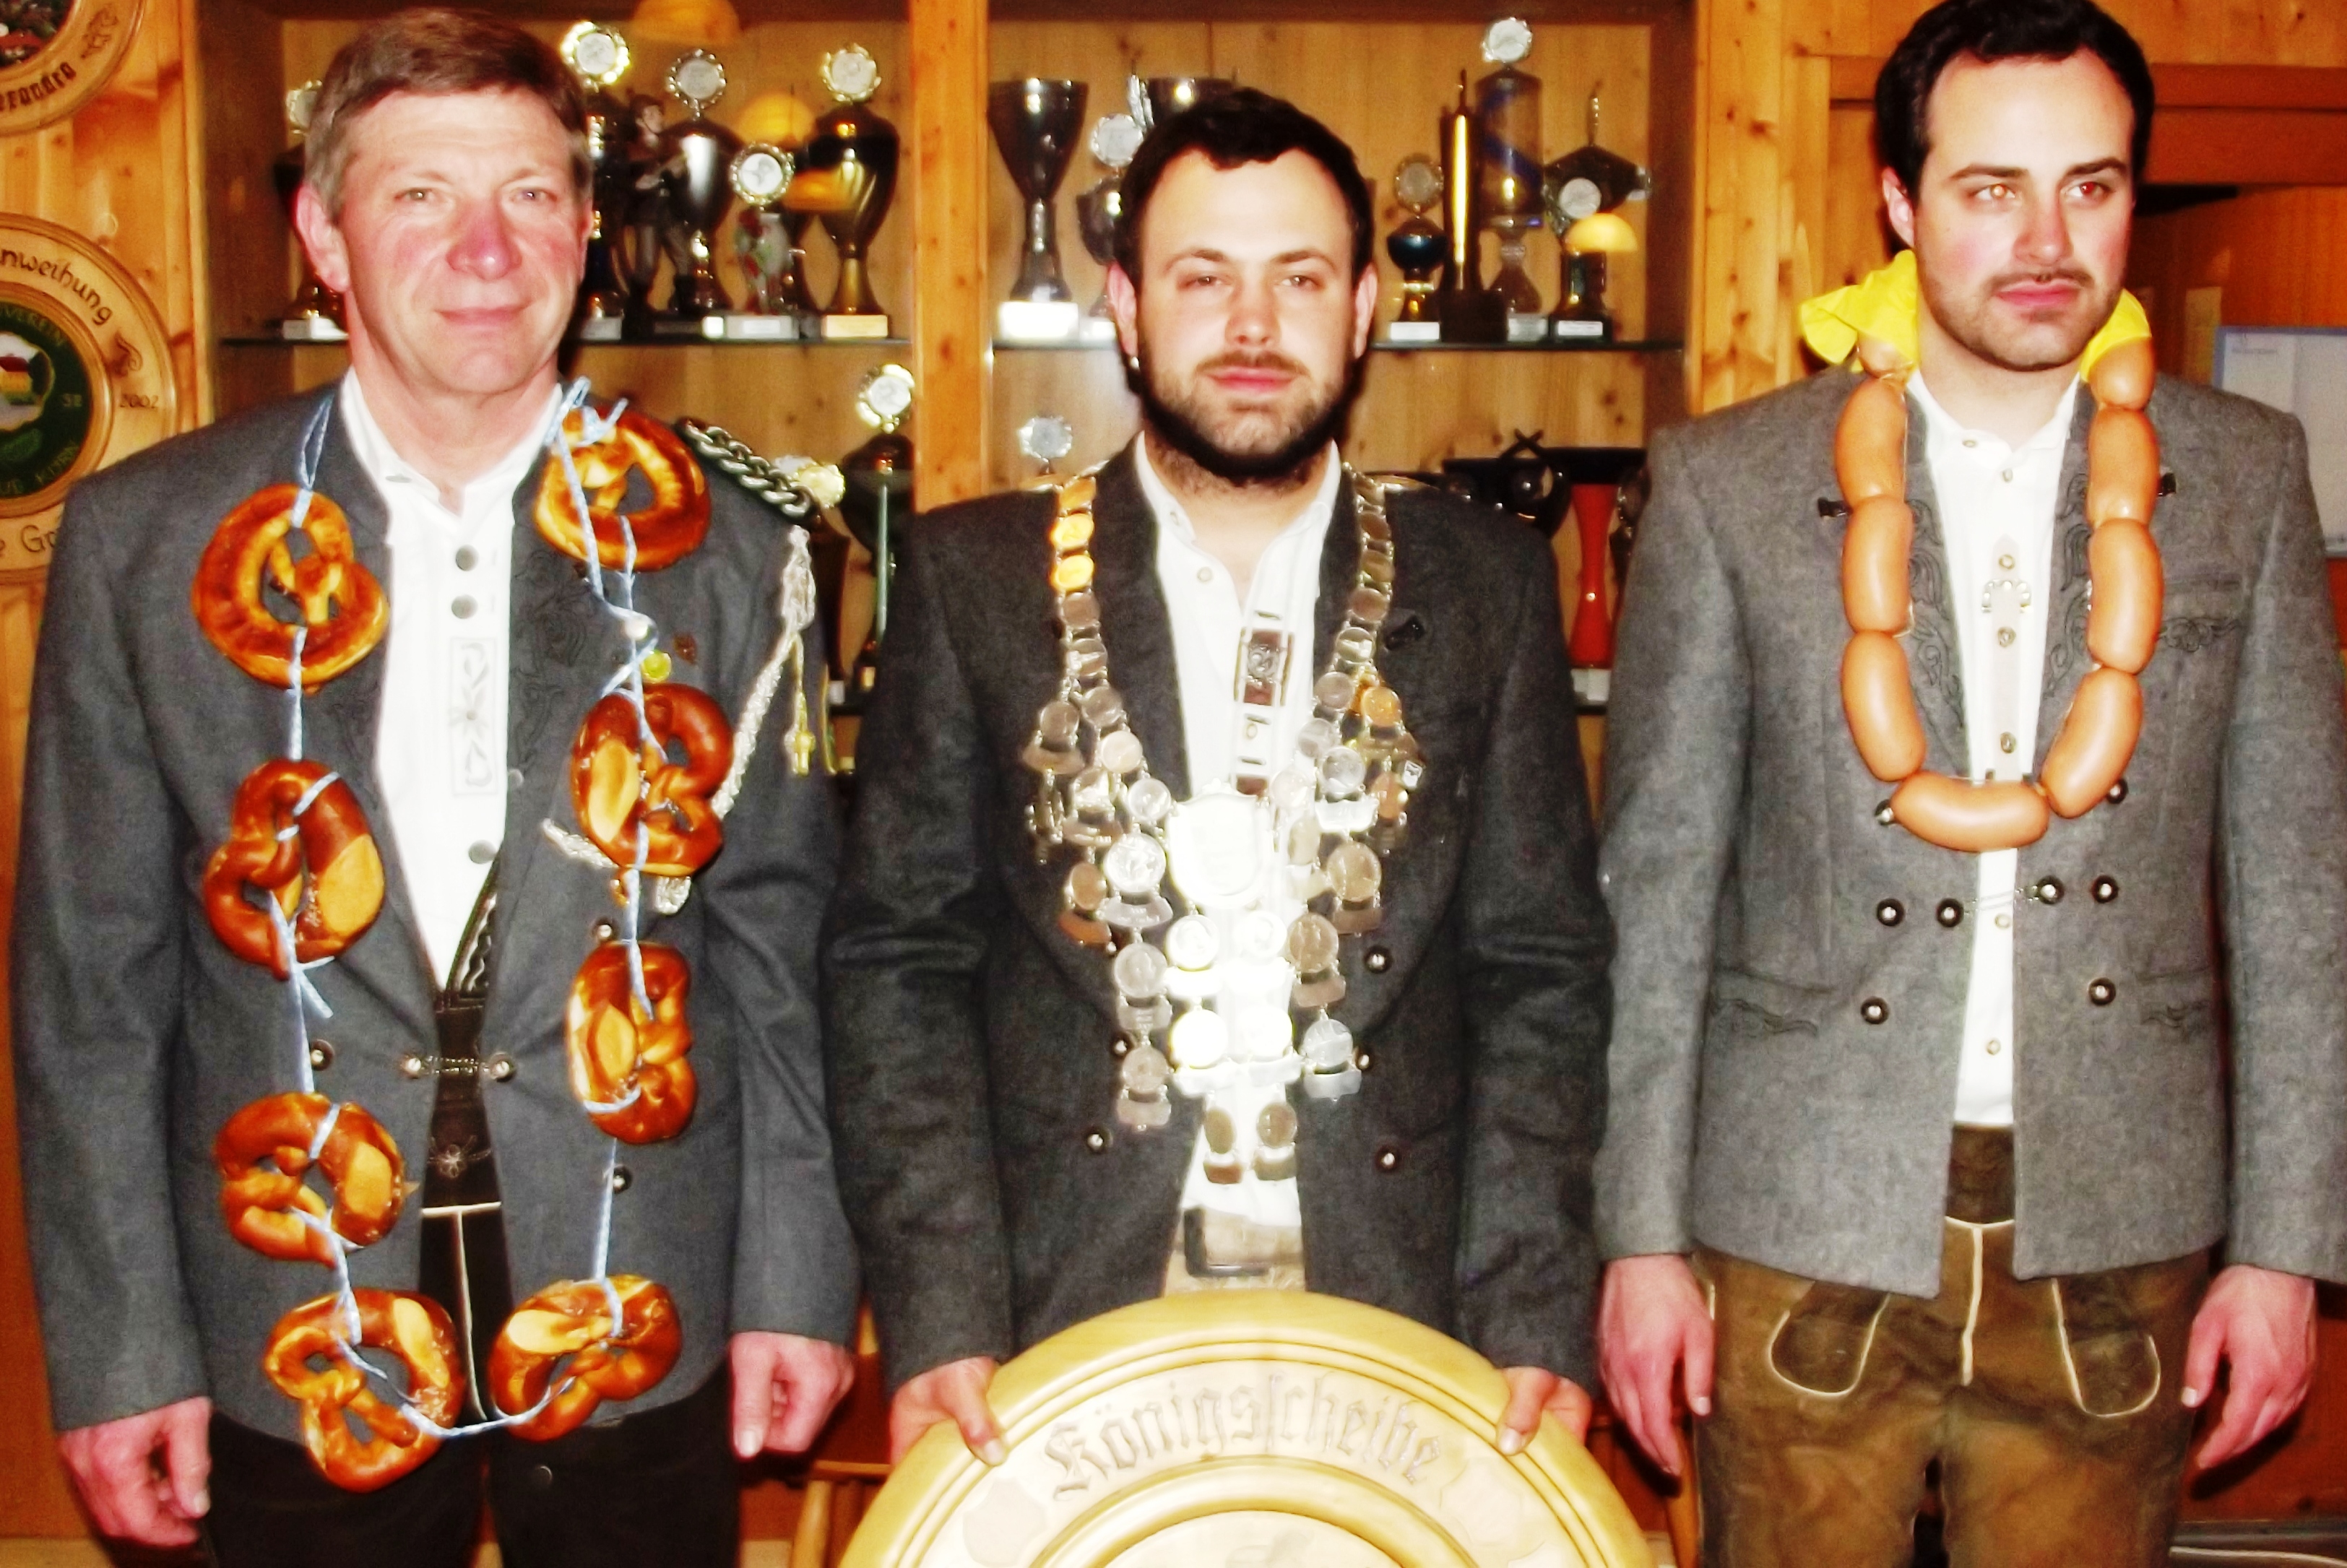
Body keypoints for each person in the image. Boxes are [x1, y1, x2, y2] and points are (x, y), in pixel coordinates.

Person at [12, 12, 857, 1564]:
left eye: (529, 195)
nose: (485, 248)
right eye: (420, 196)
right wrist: (121, 1350)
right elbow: (91, 996)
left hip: (639, 1294)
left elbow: (779, 952)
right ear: (324, 238)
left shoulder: (735, 549)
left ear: (587, 234)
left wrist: (797, 1280)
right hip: (288, 1307)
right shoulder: (146, 543)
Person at [1594, 1, 2347, 1561]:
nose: (2045, 240)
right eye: (1989, 188)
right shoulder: (1727, 482)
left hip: (2119, 1223)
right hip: (1793, 1217)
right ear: (1898, 198)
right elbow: (1655, 891)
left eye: (2090, 186)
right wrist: (1636, 1239)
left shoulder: (2246, 476)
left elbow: (2297, 892)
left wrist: (2285, 1248)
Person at [824, 87, 1611, 1466]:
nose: (1252, 327)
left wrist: (1531, 1310)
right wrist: (943, 1312)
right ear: (1125, 307)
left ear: (1362, 308)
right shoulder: (971, 580)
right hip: (1061, 1302)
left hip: (1404, 1299)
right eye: (1202, 279)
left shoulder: (1484, 584)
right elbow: (900, 963)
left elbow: (1537, 969)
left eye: (1297, 279)